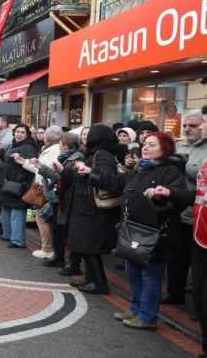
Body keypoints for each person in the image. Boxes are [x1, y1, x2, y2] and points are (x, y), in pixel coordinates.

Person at [82, 132, 188, 329]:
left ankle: (147, 317)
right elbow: (117, 183)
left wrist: (164, 195)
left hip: (155, 234)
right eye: (145, 144)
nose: (145, 148)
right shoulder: (140, 168)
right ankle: (135, 309)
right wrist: (91, 172)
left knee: (150, 277)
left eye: (151, 145)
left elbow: (183, 198)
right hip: (133, 231)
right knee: (133, 272)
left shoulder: (171, 171)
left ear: (164, 149)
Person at [55, 124, 124, 295]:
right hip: (85, 209)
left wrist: (90, 171)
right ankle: (91, 277)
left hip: (94, 211)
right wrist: (64, 170)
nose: (84, 139)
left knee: (90, 248)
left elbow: (110, 181)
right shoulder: (95, 154)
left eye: (88, 135)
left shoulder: (103, 155)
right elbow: (81, 179)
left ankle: (99, 282)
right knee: (84, 246)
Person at [163, 110, 207, 306]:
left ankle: (199, 306)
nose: (188, 129)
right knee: (175, 258)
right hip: (177, 213)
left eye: (194, 125)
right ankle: (175, 292)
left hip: (198, 218)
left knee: (197, 265)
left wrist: (180, 165)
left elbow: (198, 172)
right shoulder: (178, 145)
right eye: (186, 126)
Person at [32, 132, 85, 272]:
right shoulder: (64, 157)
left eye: (61, 143)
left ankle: (72, 262)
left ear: (65, 145)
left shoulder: (78, 158)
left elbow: (71, 178)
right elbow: (57, 176)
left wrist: (59, 170)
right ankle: (58, 256)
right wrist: (42, 167)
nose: (59, 146)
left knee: (67, 232)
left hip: (69, 200)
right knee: (57, 229)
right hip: (60, 198)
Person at [20, 125, 62, 258]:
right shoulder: (52, 149)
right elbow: (40, 168)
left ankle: (47, 249)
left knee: (41, 218)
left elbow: (46, 171)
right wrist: (25, 162)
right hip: (47, 188)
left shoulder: (54, 151)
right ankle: (48, 248)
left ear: (46, 138)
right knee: (45, 218)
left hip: (46, 189)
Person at [0, 124, 38, 248]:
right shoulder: (14, 144)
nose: (19, 134)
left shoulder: (29, 146)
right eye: (17, 131)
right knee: (6, 207)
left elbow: (32, 160)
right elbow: (7, 159)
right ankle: (7, 234)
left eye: (22, 132)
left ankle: (18, 240)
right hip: (9, 181)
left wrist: (21, 158)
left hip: (21, 183)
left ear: (27, 135)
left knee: (17, 210)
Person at [191, 105, 207, 358]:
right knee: (200, 299)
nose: (202, 126)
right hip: (200, 235)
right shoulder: (204, 156)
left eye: (204, 122)